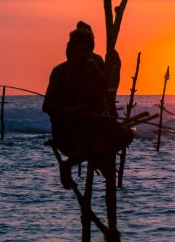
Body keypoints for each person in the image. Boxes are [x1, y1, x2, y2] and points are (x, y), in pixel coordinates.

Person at [43, 21, 132, 189]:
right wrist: (71, 111)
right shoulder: (60, 72)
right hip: (66, 131)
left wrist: (116, 68)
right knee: (85, 147)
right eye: (79, 49)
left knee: (125, 134)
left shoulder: (92, 69)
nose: (83, 54)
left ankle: (101, 161)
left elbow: (106, 92)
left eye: (87, 50)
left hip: (90, 127)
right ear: (70, 50)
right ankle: (68, 165)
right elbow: (47, 106)